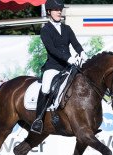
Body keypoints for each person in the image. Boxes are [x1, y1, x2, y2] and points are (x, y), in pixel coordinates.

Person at [30, 0, 88, 134]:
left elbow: (76, 44)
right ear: (49, 12)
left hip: (68, 66)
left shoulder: (67, 29)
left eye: (60, 10)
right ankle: (38, 120)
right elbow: (52, 50)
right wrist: (69, 58)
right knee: (45, 88)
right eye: (56, 10)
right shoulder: (45, 30)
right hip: (53, 66)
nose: (59, 12)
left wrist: (83, 54)